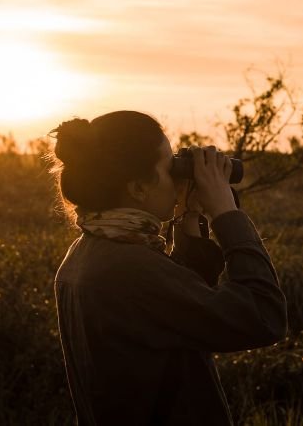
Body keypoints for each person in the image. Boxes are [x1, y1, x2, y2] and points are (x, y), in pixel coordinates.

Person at [50, 110, 288, 426]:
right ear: (137, 188)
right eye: (169, 166)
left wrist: (189, 217)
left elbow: (180, 310)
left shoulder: (89, 253)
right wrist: (226, 214)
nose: (178, 176)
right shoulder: (128, 268)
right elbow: (262, 316)